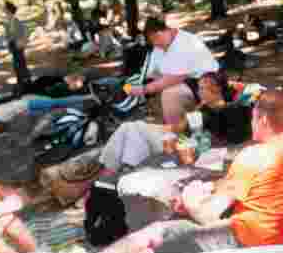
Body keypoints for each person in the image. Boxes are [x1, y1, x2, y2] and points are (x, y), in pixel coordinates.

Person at [45, 89, 283, 253]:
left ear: (262, 119)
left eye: (253, 118)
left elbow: (207, 216)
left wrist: (191, 199)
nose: (251, 123)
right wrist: (208, 190)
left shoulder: (254, 157)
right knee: (149, 234)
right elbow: (262, 193)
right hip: (251, 238)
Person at [96, 70, 255, 176]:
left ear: (216, 89)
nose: (198, 92)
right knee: (130, 128)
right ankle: (120, 168)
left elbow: (181, 130)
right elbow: (178, 128)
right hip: (183, 141)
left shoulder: (220, 111)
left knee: (131, 128)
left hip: (187, 148)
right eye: (199, 88)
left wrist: (153, 128)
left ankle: (111, 170)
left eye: (202, 89)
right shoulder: (206, 108)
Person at [126, 17, 219, 125]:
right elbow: (151, 73)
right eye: (152, 41)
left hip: (206, 81)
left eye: (156, 38)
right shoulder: (160, 45)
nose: (156, 44)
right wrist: (130, 86)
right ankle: (179, 126)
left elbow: (174, 78)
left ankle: (175, 134)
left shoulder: (184, 42)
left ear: (165, 31)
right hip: (186, 82)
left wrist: (144, 89)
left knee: (169, 94)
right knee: (154, 95)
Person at [4, 2, 31, 91]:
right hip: (13, 45)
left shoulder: (16, 21)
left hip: (18, 44)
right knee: (17, 63)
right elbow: (8, 35)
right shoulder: (8, 22)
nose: (4, 11)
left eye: (5, 9)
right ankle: (22, 81)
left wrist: (22, 41)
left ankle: (26, 81)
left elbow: (25, 32)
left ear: (9, 10)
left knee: (20, 63)